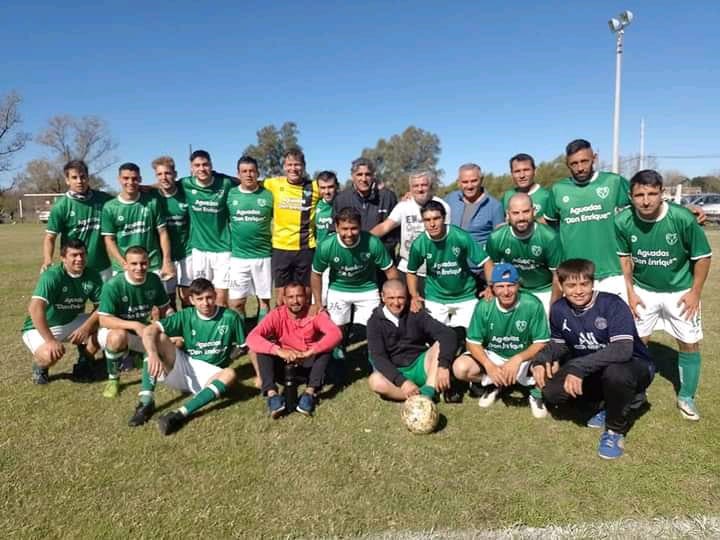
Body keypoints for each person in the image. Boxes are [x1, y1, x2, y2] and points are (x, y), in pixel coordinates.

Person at [530, 259, 655, 460]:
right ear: (560, 286)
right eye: (571, 285)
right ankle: (610, 403)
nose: (579, 291)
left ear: (592, 283)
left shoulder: (612, 304)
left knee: (616, 374)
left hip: (634, 365)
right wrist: (539, 360)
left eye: (584, 284)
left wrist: (579, 367)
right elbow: (559, 344)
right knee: (552, 393)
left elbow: (623, 350)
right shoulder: (559, 309)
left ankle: (615, 430)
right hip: (593, 367)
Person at [615, 169, 711, 421]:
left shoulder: (682, 218)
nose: (646, 201)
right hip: (643, 291)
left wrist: (695, 293)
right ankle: (636, 392)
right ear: (631, 196)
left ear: (662, 194)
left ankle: (686, 396)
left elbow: (702, 257)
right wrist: (630, 292)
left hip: (680, 292)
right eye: (639, 195)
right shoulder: (623, 221)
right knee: (637, 342)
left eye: (652, 194)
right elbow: (624, 259)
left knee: (689, 343)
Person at [132, 278, 245, 435]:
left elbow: (244, 346)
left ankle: (178, 415)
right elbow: (149, 331)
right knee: (156, 338)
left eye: (209, 297)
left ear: (215, 295)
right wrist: (152, 354)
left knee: (230, 374)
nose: (205, 303)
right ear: (191, 300)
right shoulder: (186, 315)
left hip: (211, 373)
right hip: (185, 365)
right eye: (200, 299)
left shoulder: (230, 317)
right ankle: (146, 402)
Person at [453, 263, 550, 417]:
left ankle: (535, 393)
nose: (506, 292)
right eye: (500, 286)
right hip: (494, 356)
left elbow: (542, 342)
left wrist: (518, 359)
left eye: (510, 285)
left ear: (518, 285)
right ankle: (493, 383)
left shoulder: (532, 304)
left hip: (524, 358)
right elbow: (473, 342)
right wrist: (488, 365)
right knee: (460, 368)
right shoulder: (484, 306)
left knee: (552, 366)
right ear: (492, 288)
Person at [543, 139, 630, 298]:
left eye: (584, 161)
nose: (580, 168)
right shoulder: (558, 189)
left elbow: (639, 210)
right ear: (567, 164)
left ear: (594, 158)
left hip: (612, 273)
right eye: (574, 163)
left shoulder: (614, 182)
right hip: (575, 275)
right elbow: (547, 223)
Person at [311, 207, 399, 358]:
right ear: (336, 227)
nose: (349, 233)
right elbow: (316, 274)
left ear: (360, 226)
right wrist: (318, 302)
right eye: (344, 229)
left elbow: (390, 270)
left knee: (375, 327)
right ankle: (338, 358)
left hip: (367, 288)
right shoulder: (327, 245)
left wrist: (394, 295)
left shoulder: (372, 242)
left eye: (354, 228)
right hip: (338, 289)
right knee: (336, 329)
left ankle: (376, 360)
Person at [247, 282, 342, 418]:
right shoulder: (276, 315)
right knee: (263, 348)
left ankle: (309, 393)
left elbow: (336, 334)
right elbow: (252, 337)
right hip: (284, 362)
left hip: (308, 363)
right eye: (291, 297)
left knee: (325, 350)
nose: (295, 301)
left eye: (299, 296)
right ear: (284, 299)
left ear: (306, 298)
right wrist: (279, 351)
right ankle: (272, 395)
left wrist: (310, 351)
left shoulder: (315, 313)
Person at [22, 239, 103, 384]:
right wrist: (50, 340)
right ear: (63, 258)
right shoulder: (52, 276)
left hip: (71, 321)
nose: (79, 259)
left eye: (82, 254)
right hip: (41, 328)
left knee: (105, 324)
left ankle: (84, 362)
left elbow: (102, 306)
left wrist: (86, 327)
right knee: (50, 355)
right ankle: (40, 367)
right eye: (74, 255)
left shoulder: (93, 275)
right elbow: (35, 308)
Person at [366, 279, 460, 402]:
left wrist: (444, 366)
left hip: (421, 365)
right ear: (382, 297)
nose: (396, 303)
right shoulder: (374, 322)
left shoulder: (415, 312)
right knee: (375, 381)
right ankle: (421, 395)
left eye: (400, 298)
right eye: (391, 298)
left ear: (407, 297)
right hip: (396, 371)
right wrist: (402, 382)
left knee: (439, 344)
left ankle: (429, 390)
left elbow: (448, 334)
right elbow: (378, 357)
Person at [97, 246, 170, 398]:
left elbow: (165, 308)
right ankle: (113, 379)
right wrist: (134, 325)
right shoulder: (113, 285)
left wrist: (167, 324)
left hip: (142, 331)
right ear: (125, 265)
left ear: (149, 263)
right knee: (118, 337)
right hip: (113, 332)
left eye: (143, 263)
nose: (139, 268)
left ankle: (136, 355)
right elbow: (103, 320)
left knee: (165, 363)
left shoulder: (154, 280)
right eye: (134, 264)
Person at [406, 201, 492, 329]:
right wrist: (414, 295)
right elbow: (411, 272)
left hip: (465, 295)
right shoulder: (419, 244)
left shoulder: (460, 236)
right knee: (437, 337)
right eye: (427, 220)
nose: (432, 224)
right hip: (436, 297)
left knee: (466, 335)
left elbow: (486, 261)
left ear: (444, 218)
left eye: (436, 218)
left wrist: (490, 287)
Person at [485, 193, 562, 315]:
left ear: (534, 211)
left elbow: (557, 277)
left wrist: (553, 308)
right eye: (515, 213)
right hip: (513, 290)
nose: (521, 217)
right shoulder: (496, 237)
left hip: (545, 290)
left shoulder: (549, 237)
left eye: (526, 212)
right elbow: (491, 266)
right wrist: (490, 287)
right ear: (508, 214)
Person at [179, 150, 237, 307]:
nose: (201, 168)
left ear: (211, 165)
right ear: (191, 168)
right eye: (197, 165)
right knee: (202, 296)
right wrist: (144, 187)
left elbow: (245, 182)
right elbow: (165, 184)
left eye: (205, 164)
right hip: (199, 250)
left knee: (221, 298)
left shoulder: (225, 183)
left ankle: (221, 323)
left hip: (223, 249)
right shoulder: (186, 183)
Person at [263, 148, 321, 305]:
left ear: (304, 166)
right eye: (289, 165)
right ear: (284, 166)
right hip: (281, 248)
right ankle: (282, 321)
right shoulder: (274, 184)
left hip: (306, 249)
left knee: (305, 295)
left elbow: (333, 190)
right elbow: (248, 181)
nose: (293, 168)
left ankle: (305, 320)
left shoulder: (314, 187)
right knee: (282, 297)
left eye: (297, 164)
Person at [370, 169, 450, 279]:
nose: (420, 189)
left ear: (430, 186)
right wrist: (364, 239)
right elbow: (385, 226)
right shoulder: (403, 206)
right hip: (406, 268)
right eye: (416, 186)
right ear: (410, 188)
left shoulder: (443, 206)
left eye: (424, 185)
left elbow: (449, 237)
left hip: (434, 270)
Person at [101, 162, 174, 281]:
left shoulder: (152, 202)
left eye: (134, 178)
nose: (130, 182)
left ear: (140, 179)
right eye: (126, 178)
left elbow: (162, 232)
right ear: (119, 179)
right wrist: (123, 263)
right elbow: (109, 239)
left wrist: (166, 261)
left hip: (152, 265)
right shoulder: (110, 207)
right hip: (123, 268)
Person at [43, 160, 113, 280]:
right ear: (67, 180)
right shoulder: (61, 206)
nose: (79, 181)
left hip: (102, 267)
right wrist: (47, 259)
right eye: (74, 177)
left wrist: (141, 188)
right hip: (73, 268)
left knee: (106, 293)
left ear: (88, 177)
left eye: (82, 177)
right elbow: (50, 237)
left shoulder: (103, 199)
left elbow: (124, 200)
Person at [226, 155, 273, 324]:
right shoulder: (230, 195)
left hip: (263, 256)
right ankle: (241, 335)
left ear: (258, 173)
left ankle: (263, 335)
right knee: (236, 302)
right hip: (238, 257)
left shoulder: (268, 195)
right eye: (244, 171)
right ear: (238, 174)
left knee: (264, 302)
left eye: (252, 171)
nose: (248, 174)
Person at [333, 157, 399, 255]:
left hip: (381, 256)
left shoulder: (388, 197)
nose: (364, 179)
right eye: (359, 174)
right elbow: (336, 230)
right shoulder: (341, 199)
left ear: (373, 175)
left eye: (367, 174)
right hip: (352, 256)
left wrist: (379, 251)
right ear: (352, 176)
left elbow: (394, 232)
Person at [154, 156, 192, 307]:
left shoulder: (185, 193)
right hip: (163, 257)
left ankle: (189, 322)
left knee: (187, 297)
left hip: (186, 253)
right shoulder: (152, 197)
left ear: (175, 174)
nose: (164, 177)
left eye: (167, 173)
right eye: (159, 174)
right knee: (168, 300)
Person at [445, 162, 504, 246]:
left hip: (480, 253)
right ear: (458, 182)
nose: (469, 186)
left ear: (481, 180)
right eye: (465, 182)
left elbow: (500, 240)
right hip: (452, 251)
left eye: (474, 181)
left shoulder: (495, 206)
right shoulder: (450, 199)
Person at [501, 153, 552, 221]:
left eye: (526, 170)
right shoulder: (507, 196)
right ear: (512, 174)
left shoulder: (547, 196)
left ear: (535, 171)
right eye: (517, 171)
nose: (522, 175)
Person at [315, 170, 339, 305]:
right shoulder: (316, 206)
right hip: (322, 259)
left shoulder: (343, 203)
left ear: (336, 186)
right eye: (323, 188)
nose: (327, 191)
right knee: (321, 299)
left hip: (340, 258)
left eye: (330, 187)